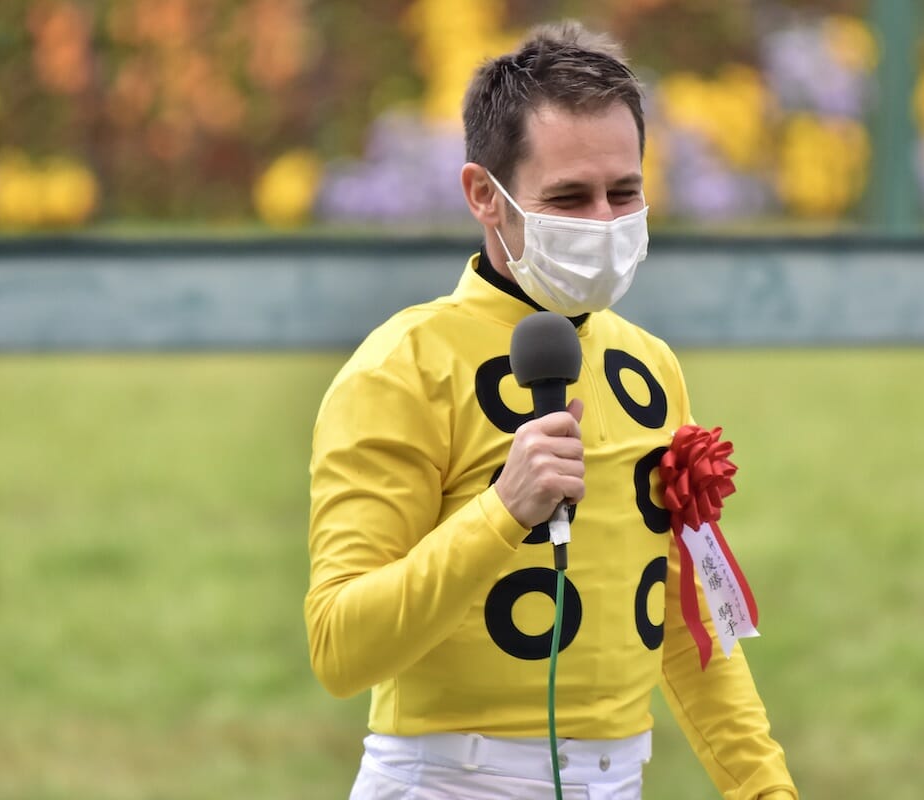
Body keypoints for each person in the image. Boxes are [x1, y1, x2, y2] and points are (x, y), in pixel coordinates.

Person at [306, 20, 798, 800]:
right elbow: (340, 648)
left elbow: (689, 625)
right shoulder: (402, 366)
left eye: (624, 192)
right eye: (570, 197)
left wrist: (764, 789)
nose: (604, 222)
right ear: (484, 195)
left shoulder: (650, 364)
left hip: (619, 780)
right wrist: (502, 510)